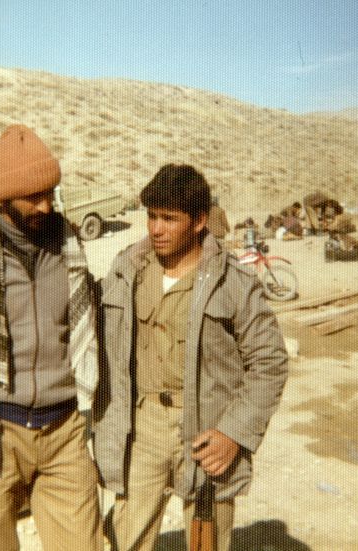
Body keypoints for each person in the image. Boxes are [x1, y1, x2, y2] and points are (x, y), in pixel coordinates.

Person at [93, 164, 289, 551]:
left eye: (169, 218)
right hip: (142, 427)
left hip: (207, 431)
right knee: (127, 539)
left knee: (206, 542)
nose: (156, 229)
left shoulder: (233, 282)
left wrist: (234, 433)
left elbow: (270, 363)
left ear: (199, 221)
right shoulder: (127, 271)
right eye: (152, 216)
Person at [0, 125, 101, 551]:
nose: (46, 206)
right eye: (32, 197)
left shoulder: (68, 245)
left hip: (65, 432)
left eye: (50, 193)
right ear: (2, 199)